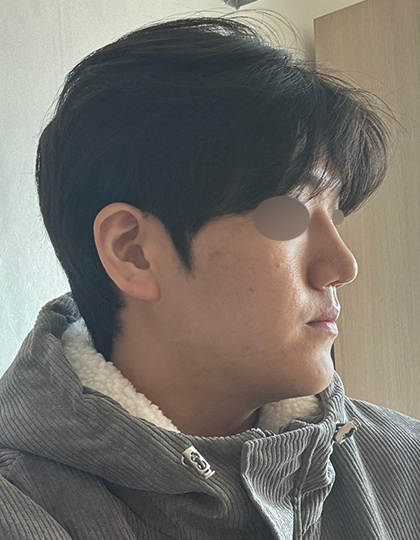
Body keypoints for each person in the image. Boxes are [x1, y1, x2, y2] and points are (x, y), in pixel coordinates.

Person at [1, 11, 419, 540]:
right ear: (133, 251)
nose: (343, 266)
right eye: (288, 216)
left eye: (333, 218)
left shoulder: (405, 465)